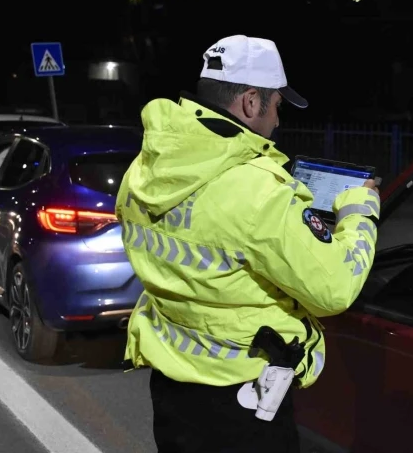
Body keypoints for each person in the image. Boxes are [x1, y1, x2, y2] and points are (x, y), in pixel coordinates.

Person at [115, 35, 381, 453]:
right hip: (242, 407)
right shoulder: (257, 189)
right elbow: (335, 289)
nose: (278, 120)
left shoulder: (147, 165)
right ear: (251, 102)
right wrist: (360, 213)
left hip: (170, 393)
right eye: (276, 105)